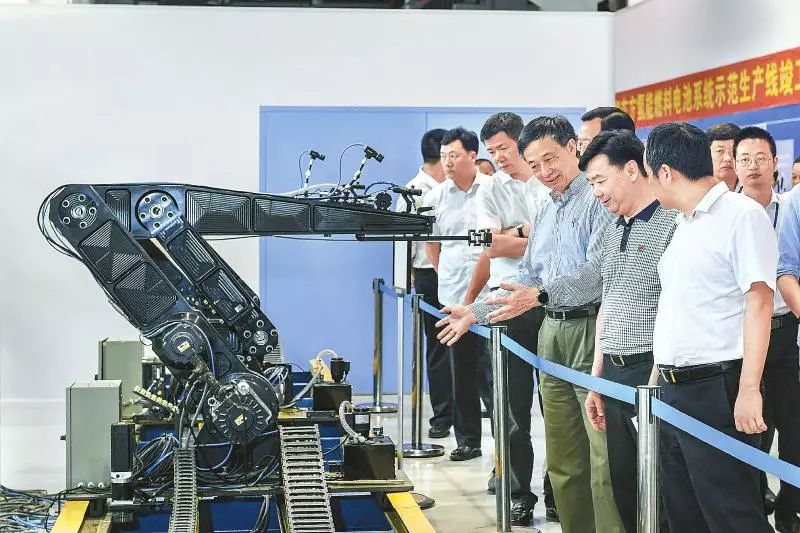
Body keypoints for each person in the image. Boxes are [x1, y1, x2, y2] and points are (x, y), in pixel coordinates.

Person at [435, 115, 623, 533]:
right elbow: (526, 274)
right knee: (564, 457)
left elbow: (597, 273)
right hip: (550, 330)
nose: (544, 171)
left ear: (573, 148)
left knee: (602, 455)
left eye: (550, 159)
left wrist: (538, 295)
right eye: (535, 164)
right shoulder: (545, 207)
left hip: (591, 328)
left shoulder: (599, 200)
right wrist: (475, 310)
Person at [644, 122, 774, 533]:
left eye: (649, 174)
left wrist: (749, 389)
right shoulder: (683, 224)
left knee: (731, 514)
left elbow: (760, 301)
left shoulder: (741, 216)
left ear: (665, 172)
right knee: (685, 514)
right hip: (673, 390)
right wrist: (656, 381)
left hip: (718, 388)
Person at [578, 130, 676, 533]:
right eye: (591, 184)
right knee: (625, 487)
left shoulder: (672, 224)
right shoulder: (613, 227)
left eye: (601, 180)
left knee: (662, 494)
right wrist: (596, 379)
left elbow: (673, 310)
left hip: (651, 375)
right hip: (614, 375)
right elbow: (607, 302)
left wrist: (652, 386)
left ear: (632, 169)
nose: (596, 192)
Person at [464, 112, 551, 525]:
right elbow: (490, 247)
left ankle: (557, 491)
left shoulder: (550, 182)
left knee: (558, 407)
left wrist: (514, 235)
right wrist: (529, 233)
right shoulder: (489, 189)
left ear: (522, 142)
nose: (498, 156)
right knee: (511, 411)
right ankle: (517, 493)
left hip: (551, 301)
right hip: (505, 304)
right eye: (492, 150)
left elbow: (558, 246)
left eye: (503, 147)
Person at [737, 126, 800, 533]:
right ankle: (755, 505)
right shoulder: (727, 215)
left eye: (761, 158)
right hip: (743, 336)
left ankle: (790, 510)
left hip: (787, 332)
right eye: (745, 159)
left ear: (775, 162)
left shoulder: (790, 207)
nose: (753, 166)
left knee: (793, 430)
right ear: (734, 164)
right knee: (751, 430)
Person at [423, 127, 490, 461]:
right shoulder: (435, 197)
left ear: (472, 156)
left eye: (454, 155)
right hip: (453, 296)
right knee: (460, 368)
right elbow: (432, 245)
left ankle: (504, 445)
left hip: (491, 295)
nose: (447, 162)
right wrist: (446, 277)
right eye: (444, 155)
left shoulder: (492, 189)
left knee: (492, 369)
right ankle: (468, 440)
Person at [396, 128, 452, 439]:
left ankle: (470, 410)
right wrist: (407, 279)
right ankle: (442, 415)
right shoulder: (413, 191)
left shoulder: (455, 188)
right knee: (438, 347)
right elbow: (401, 240)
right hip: (428, 274)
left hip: (460, 274)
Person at [705, 122, 741, 192]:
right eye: (720, 151)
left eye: (733, 151)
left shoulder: (754, 191)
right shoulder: (697, 193)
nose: (727, 158)